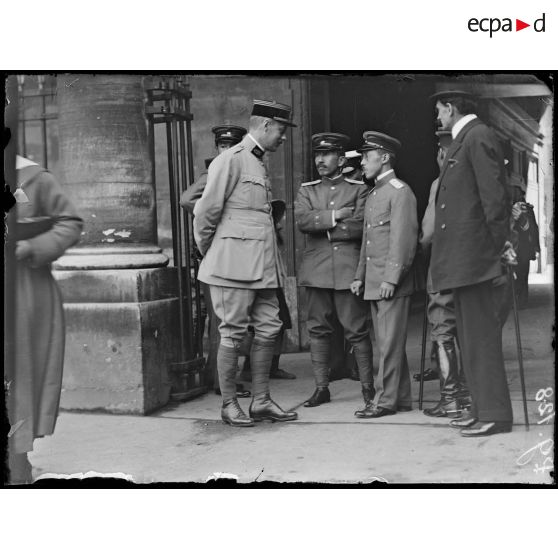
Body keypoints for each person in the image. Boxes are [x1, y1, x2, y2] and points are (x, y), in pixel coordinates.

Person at [193, 99, 298, 427]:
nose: (283, 137)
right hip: (232, 267)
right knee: (233, 333)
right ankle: (229, 405)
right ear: (265, 125)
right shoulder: (231, 160)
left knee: (271, 327)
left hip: (263, 268)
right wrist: (216, 251)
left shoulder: (257, 162)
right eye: (281, 130)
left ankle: (261, 400)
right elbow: (205, 213)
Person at [430, 90, 513, 437]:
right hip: (465, 261)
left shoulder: (476, 136)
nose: (437, 117)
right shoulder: (465, 137)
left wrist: (493, 249)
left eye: (438, 111)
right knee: (470, 337)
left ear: (451, 108)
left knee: (481, 340)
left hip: (476, 258)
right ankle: (480, 408)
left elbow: (493, 198)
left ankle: (495, 413)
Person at [7, 155, 83, 483]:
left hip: (22, 288)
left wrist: (32, 245)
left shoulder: (33, 177)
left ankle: (17, 458)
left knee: (18, 374)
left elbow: (70, 222)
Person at [294, 133, 374, 411]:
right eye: (317, 154)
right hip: (316, 272)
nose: (320, 160)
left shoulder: (358, 189)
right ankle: (321, 388)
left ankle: (367, 387)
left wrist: (324, 227)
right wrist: (337, 216)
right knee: (317, 329)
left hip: (347, 270)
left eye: (326, 155)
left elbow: (361, 226)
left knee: (357, 330)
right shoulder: (307, 189)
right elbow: (302, 221)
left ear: (341, 160)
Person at [180, 124, 251, 398]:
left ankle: (224, 379)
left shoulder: (243, 169)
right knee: (221, 318)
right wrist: (213, 213)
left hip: (238, 253)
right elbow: (186, 199)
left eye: (231, 146)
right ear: (217, 148)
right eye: (222, 146)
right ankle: (222, 383)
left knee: (233, 318)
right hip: (216, 254)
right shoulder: (212, 172)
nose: (227, 151)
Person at [350, 131, 418, 418]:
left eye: (367, 156)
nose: (362, 162)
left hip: (390, 283)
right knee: (390, 343)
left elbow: (403, 240)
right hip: (376, 281)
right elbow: (369, 241)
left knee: (389, 345)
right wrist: (360, 276)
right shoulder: (376, 192)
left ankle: (384, 400)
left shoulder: (400, 192)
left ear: (385, 157)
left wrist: (391, 278)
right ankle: (400, 397)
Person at [419, 130, 470, 418]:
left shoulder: (441, 184)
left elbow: (427, 234)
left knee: (442, 328)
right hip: (469, 269)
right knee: (464, 329)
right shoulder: (472, 180)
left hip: (442, 266)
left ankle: (450, 398)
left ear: (442, 153)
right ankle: (465, 393)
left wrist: (425, 257)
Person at [510, 181, 540, 307]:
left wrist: (522, 218)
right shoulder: (506, 208)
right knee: (513, 276)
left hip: (523, 249)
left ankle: (522, 301)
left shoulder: (527, 209)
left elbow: (532, 229)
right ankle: (515, 301)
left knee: (522, 276)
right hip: (511, 248)